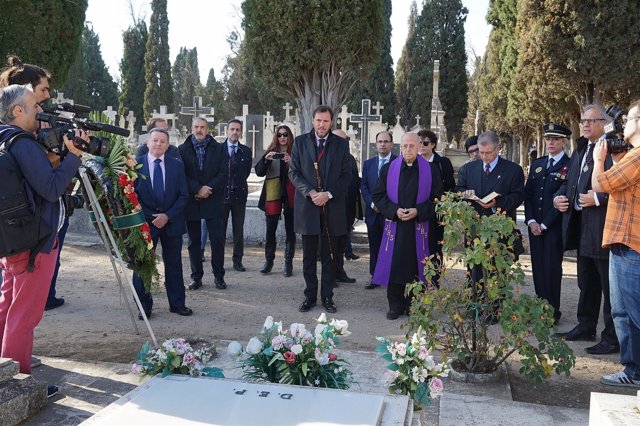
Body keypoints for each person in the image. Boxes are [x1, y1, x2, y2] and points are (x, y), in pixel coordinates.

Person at [0, 85, 84, 396]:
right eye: (34, 105)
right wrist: (73, 157)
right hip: (35, 243)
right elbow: (50, 189)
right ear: (17, 111)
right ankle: (17, 386)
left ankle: (4, 375)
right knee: (24, 315)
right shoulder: (22, 144)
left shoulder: (4, 139)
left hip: (13, 240)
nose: (40, 110)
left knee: (8, 307)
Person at [553, 104, 619, 355]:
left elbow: (623, 188)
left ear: (605, 123)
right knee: (586, 280)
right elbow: (569, 181)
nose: (586, 124)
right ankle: (586, 325)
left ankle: (612, 338)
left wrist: (599, 199)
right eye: (583, 120)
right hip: (582, 226)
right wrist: (558, 198)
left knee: (608, 284)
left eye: (592, 120)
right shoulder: (582, 148)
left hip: (604, 225)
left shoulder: (613, 148)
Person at [592, 100, 640, 387]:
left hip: (630, 245)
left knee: (633, 312)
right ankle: (631, 370)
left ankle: (635, 371)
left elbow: (601, 184)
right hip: (621, 242)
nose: (625, 123)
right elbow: (618, 181)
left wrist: (599, 160)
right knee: (621, 311)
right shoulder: (632, 157)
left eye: (631, 118)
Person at [371, 132, 443, 319]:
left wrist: (418, 211)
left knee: (416, 267)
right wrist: (394, 211)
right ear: (400, 147)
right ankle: (395, 305)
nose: (408, 149)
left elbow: (438, 199)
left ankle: (414, 305)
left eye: (412, 146)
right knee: (395, 267)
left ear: (419, 146)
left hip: (420, 228)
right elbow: (378, 196)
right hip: (396, 226)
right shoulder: (388, 169)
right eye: (404, 146)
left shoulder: (431, 170)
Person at [455, 130, 525, 321]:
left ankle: (495, 310)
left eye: (489, 153)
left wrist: (498, 203)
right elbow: (458, 189)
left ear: (498, 149)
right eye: (481, 153)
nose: (484, 157)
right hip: (475, 228)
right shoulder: (469, 169)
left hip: (499, 229)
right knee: (474, 269)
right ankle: (474, 305)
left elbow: (518, 196)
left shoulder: (512, 170)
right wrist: (465, 193)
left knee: (497, 270)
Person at [289, 105, 351, 314]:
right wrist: (311, 192)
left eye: (325, 121)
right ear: (313, 121)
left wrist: (329, 194)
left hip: (332, 208)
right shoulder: (300, 142)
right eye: (318, 121)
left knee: (329, 257)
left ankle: (327, 297)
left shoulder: (341, 145)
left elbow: (346, 175)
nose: (321, 125)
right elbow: (294, 173)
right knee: (308, 257)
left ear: (331, 122)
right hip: (308, 207)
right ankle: (309, 296)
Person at [133, 128, 191, 319]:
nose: (158, 144)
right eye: (155, 140)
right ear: (148, 143)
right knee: (143, 265)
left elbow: (184, 195)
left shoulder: (176, 165)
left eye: (163, 141)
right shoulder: (136, 164)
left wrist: (167, 215)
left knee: (174, 264)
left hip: (172, 222)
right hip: (145, 224)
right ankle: (144, 306)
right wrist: (152, 216)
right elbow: (131, 196)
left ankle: (177, 304)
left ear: (168, 145)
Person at [524, 123, 571, 325]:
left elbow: (564, 199)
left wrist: (544, 225)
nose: (550, 142)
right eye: (548, 139)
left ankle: (552, 311)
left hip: (553, 228)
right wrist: (532, 221)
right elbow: (529, 196)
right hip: (535, 227)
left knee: (552, 269)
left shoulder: (570, 166)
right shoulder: (538, 164)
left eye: (555, 139)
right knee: (538, 268)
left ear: (564, 142)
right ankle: (539, 308)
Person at [178, 117, 228, 290]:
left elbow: (223, 173)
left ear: (208, 129)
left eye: (203, 127)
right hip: (192, 201)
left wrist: (208, 189)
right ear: (191, 128)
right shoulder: (182, 149)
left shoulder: (219, 149)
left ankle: (219, 277)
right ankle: (196, 277)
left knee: (217, 240)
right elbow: (182, 174)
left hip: (213, 200)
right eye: (196, 127)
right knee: (194, 242)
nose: (199, 130)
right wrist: (198, 189)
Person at [254, 125, 296, 277]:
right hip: (273, 194)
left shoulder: (296, 151)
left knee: (290, 230)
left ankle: (288, 262)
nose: (283, 137)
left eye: (285, 134)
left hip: (291, 195)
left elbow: (305, 170)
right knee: (270, 229)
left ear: (290, 136)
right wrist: (266, 160)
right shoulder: (272, 150)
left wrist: (291, 161)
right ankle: (269, 261)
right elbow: (259, 172)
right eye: (279, 135)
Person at [418, 129, 455, 288]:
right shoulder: (414, 161)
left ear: (433, 145)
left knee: (435, 246)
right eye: (419, 143)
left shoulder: (442, 163)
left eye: (425, 143)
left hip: (437, 212)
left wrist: (442, 204)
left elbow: (450, 186)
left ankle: (434, 279)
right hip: (418, 211)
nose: (421, 146)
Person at [361, 131, 396, 290]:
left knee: (391, 245)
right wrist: (371, 204)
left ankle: (391, 277)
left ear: (391, 144)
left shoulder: (398, 162)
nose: (383, 144)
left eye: (386, 141)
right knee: (374, 244)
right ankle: (375, 276)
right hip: (373, 212)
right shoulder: (368, 163)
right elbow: (364, 186)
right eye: (380, 141)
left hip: (390, 213)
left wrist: (386, 207)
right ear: (376, 144)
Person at [222, 119, 252, 272]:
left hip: (239, 195)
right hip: (222, 195)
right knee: (220, 230)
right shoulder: (219, 149)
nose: (235, 132)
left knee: (238, 229)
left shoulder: (246, 150)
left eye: (237, 130)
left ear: (241, 132)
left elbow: (246, 172)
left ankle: (238, 260)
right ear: (227, 131)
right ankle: (219, 260)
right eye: (232, 129)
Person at [332, 128, 359, 284]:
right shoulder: (329, 159)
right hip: (334, 208)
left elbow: (354, 181)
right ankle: (331, 275)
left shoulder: (350, 158)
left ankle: (340, 272)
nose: (345, 143)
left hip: (348, 209)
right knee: (332, 246)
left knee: (342, 243)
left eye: (346, 140)